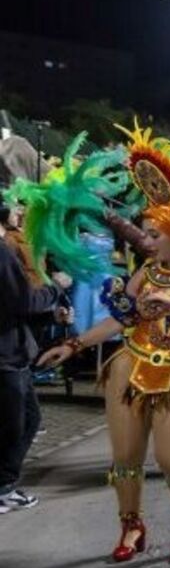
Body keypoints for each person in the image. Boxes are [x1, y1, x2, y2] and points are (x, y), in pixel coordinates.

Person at [35, 126, 170, 562]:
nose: (147, 242)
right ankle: (131, 524)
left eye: (154, 235)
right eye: (147, 233)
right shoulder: (145, 274)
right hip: (129, 368)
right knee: (125, 461)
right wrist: (74, 345)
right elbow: (122, 317)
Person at [0, 195, 65, 514]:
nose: (20, 212)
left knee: (26, 419)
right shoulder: (2, 253)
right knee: (19, 423)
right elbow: (22, 301)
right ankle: (4, 487)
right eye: (15, 207)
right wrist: (55, 290)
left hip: (13, 350)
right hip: (6, 356)